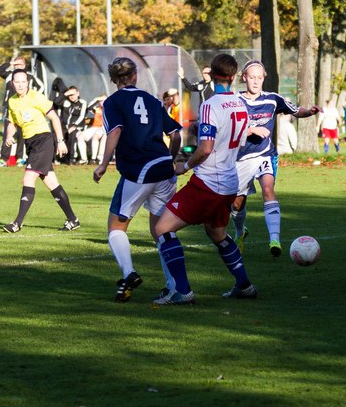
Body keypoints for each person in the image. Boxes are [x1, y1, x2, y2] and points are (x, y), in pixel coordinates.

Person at [151, 53, 256, 306]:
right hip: (230, 180)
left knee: (162, 229)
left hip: (209, 182)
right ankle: (244, 285)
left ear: (211, 75)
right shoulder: (241, 104)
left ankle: (182, 291)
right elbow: (240, 141)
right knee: (217, 231)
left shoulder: (210, 104)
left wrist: (184, 166)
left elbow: (205, 148)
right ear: (233, 77)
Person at [93, 57, 184, 302]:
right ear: (135, 76)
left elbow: (115, 131)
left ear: (113, 80)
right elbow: (175, 135)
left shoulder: (113, 102)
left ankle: (129, 273)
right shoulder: (154, 101)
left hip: (139, 170)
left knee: (116, 227)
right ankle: (176, 286)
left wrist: (103, 164)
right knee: (161, 230)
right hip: (164, 169)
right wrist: (171, 160)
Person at [229, 60, 321, 257]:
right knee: (237, 203)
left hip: (265, 154)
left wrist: (310, 112)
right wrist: (251, 130)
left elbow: (296, 110)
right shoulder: (234, 101)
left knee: (268, 189)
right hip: (241, 158)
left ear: (264, 78)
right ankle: (240, 232)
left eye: (259, 78)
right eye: (251, 77)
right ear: (244, 77)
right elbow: (229, 130)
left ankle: (274, 239)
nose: (255, 81)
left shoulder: (273, 99)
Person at [2, 69, 79, 233]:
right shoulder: (13, 101)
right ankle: (73, 220)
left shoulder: (36, 97)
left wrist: (60, 141)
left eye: (23, 81)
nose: (21, 85)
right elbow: (12, 122)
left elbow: (54, 118)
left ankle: (17, 223)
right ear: (12, 83)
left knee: (28, 178)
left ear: (28, 82)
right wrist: (9, 136)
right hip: (31, 144)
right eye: (17, 82)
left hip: (43, 140)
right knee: (52, 183)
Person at [0, 54, 27, 167]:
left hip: (23, 109)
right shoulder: (9, 75)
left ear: (24, 65)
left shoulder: (28, 76)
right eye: (16, 64)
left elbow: (40, 87)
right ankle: (3, 159)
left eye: (20, 64)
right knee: (7, 134)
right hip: (9, 109)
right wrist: (11, 63)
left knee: (21, 134)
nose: (17, 66)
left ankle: (20, 158)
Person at [60, 86, 90, 163]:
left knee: (72, 134)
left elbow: (82, 116)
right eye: (70, 95)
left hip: (78, 127)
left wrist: (75, 126)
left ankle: (72, 157)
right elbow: (56, 101)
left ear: (77, 93)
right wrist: (65, 94)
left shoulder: (82, 102)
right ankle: (62, 156)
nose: (71, 97)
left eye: (73, 94)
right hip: (67, 126)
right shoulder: (67, 102)